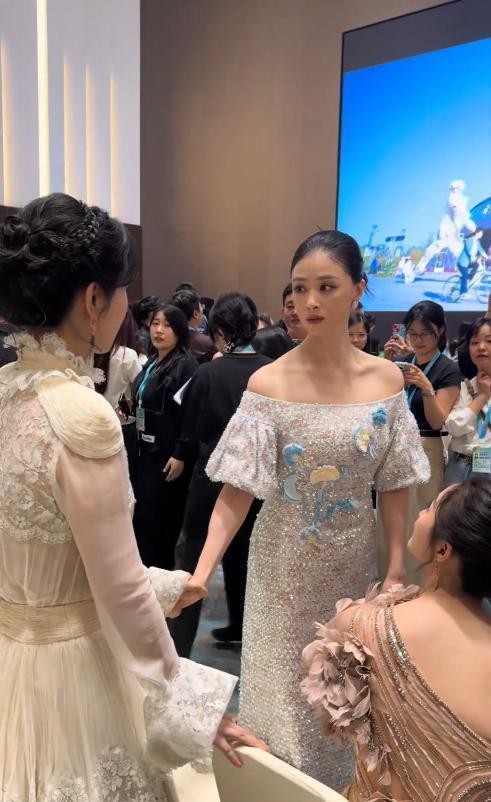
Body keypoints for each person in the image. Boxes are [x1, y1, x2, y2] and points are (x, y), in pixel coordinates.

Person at [0, 193, 265, 802]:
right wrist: (195, 708)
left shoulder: (7, 392)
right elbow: (118, 588)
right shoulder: (80, 415)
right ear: (94, 299)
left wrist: (167, 586)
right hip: (73, 674)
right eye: (123, 290)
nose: (129, 308)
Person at [172, 230, 430, 788]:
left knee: (342, 704)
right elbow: (237, 492)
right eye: (299, 288)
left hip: (352, 570)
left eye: (326, 287)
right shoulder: (269, 382)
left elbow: (394, 485)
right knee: (281, 705)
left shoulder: (386, 380)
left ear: (358, 289)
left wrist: (393, 569)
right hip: (280, 569)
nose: (309, 302)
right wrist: (201, 571)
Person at [302, 479, 491, 801]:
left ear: (443, 550)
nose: (420, 512)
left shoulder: (362, 626)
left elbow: (331, 704)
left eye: (430, 508)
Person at [169, 293, 272, 656]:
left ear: (221, 332)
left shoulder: (208, 373)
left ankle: (179, 646)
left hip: (211, 482)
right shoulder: (271, 372)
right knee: (247, 562)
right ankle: (247, 635)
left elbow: (191, 426)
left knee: (193, 562)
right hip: (258, 484)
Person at [132, 304, 198, 570]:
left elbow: (191, 415)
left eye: (167, 325)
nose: (159, 330)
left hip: (168, 455)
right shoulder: (152, 362)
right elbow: (141, 399)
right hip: (145, 453)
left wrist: (181, 453)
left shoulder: (185, 366)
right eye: (156, 323)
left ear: (179, 331)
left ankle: (160, 578)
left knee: (162, 523)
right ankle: (145, 576)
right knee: (144, 519)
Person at [445, 317, 491, 483]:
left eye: (489, 341)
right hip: (460, 466)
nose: (481, 347)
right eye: (474, 342)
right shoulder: (465, 386)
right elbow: (453, 427)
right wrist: (482, 397)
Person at [171, 288, 216, 364]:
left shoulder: (169, 339)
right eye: (200, 306)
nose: (203, 308)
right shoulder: (207, 342)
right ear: (195, 314)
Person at [457, 229, 487, 297]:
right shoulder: (470, 240)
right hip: (462, 263)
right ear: (477, 233)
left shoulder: (477, 242)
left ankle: (469, 278)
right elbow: (469, 251)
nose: (482, 235)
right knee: (464, 275)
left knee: (477, 265)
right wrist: (474, 258)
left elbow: (481, 249)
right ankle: (463, 293)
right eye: (481, 233)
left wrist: (486, 256)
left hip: (469, 263)